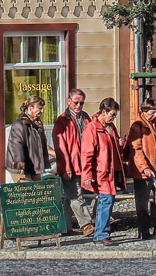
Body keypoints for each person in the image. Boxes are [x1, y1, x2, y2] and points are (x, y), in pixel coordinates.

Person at [126, 97, 156, 239]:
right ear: (144, 111)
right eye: (152, 112)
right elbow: (136, 149)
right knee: (142, 201)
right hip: (145, 171)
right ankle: (144, 231)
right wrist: (144, 167)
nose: (155, 115)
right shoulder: (137, 126)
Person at [80, 97, 125, 247]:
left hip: (111, 170)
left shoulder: (110, 127)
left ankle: (101, 233)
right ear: (104, 112)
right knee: (106, 201)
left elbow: (114, 149)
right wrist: (87, 174)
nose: (114, 118)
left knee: (106, 202)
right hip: (101, 171)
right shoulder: (92, 128)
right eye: (112, 114)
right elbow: (86, 154)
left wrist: (120, 144)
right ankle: (101, 234)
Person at [53, 88, 94, 236]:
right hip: (71, 163)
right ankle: (86, 224)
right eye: (76, 102)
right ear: (69, 102)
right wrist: (65, 166)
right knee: (75, 195)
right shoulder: (62, 120)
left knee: (71, 197)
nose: (78, 106)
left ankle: (62, 226)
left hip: (84, 163)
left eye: (81, 103)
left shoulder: (85, 118)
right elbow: (60, 146)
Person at [5, 94, 50, 182]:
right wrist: (19, 166)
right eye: (40, 108)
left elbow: (41, 145)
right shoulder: (20, 123)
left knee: (36, 193)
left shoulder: (37, 123)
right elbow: (15, 146)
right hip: (22, 169)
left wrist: (44, 163)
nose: (42, 111)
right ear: (30, 108)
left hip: (34, 167)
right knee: (25, 193)